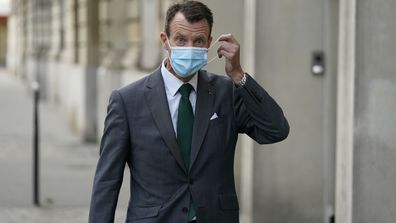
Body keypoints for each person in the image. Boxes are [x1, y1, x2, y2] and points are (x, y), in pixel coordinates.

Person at [89, 1, 289, 223]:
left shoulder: (226, 92)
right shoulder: (127, 101)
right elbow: (107, 181)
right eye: (181, 40)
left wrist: (239, 76)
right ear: (165, 40)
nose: (189, 47)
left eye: (198, 41)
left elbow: (275, 130)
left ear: (209, 44)